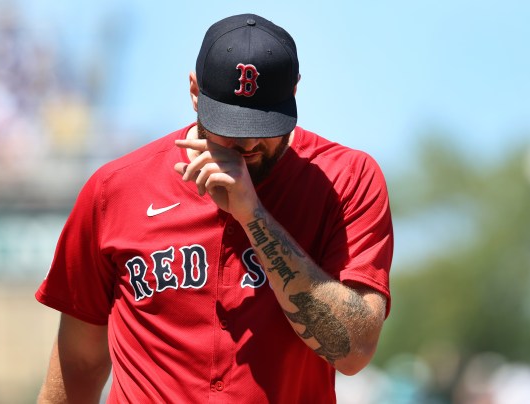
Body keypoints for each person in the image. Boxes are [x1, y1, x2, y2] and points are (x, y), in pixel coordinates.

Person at [35, 13, 393, 403]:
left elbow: (353, 351)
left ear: (294, 92)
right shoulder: (114, 190)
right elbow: (80, 361)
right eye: (230, 124)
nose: (247, 145)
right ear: (194, 92)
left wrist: (253, 216)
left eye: (263, 125)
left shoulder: (346, 180)